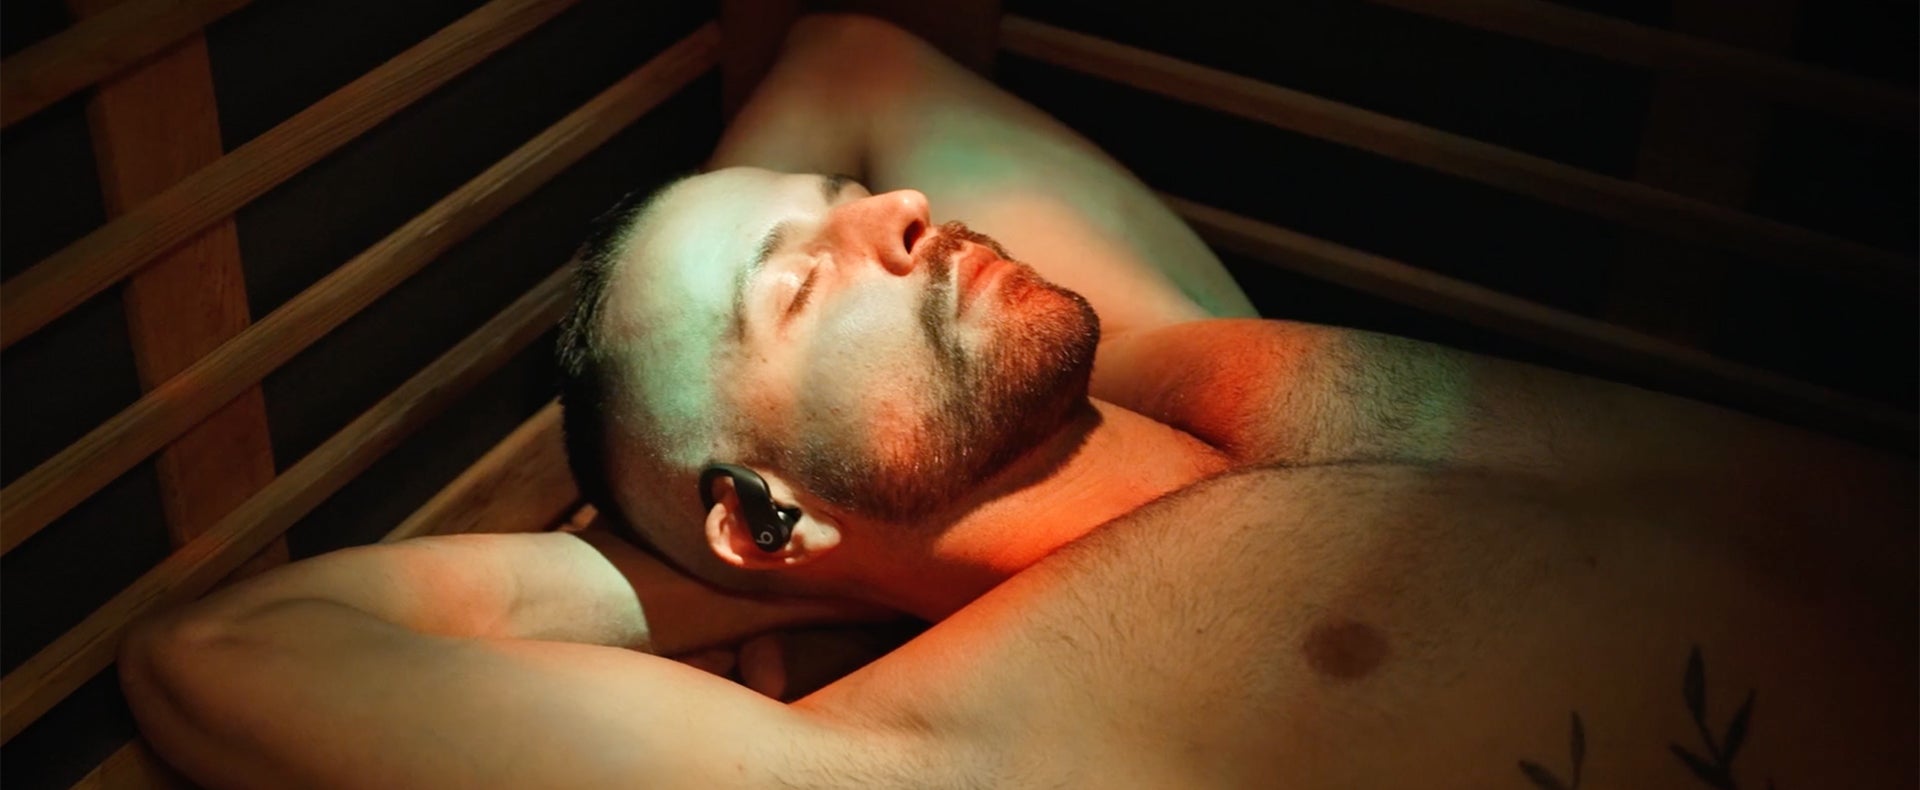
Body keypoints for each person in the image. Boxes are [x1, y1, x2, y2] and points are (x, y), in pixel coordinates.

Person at [119, 14, 1915, 788]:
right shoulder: (941, 751)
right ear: (759, 506)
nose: (894, 211)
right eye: (805, 277)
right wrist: (694, 570)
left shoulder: (1172, 356)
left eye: (849, 207)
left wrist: (779, 527)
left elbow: (851, 62)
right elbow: (229, 658)